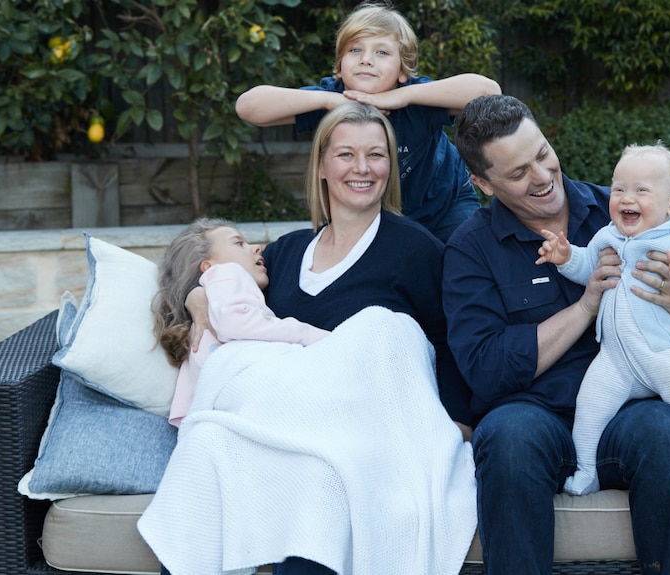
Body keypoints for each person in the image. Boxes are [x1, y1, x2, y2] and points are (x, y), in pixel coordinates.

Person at [140, 102, 476, 575]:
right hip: (289, 431)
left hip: (365, 436)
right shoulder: (284, 254)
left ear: (390, 167)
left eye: (376, 155)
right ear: (321, 165)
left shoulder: (417, 249)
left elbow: (447, 339)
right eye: (346, 155)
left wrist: (457, 420)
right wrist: (199, 296)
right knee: (209, 444)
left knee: (324, 484)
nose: (362, 168)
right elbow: (227, 292)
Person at [442, 94, 670, 575]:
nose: (543, 177)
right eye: (518, 172)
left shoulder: (620, 213)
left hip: (628, 410)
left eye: (542, 153)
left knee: (666, 431)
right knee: (507, 437)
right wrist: (588, 303)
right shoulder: (471, 249)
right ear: (482, 183)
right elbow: (486, 370)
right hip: (533, 415)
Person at [535, 142, 670, 496]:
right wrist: (565, 257)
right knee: (589, 406)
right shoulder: (607, 236)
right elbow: (586, 270)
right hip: (616, 358)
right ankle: (586, 470)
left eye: (642, 190)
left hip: (666, 352)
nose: (627, 198)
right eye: (619, 188)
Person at [234, 0, 501, 243]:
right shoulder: (331, 99)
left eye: (382, 52)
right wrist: (331, 102)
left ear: (403, 70)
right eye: (355, 49)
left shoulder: (418, 102)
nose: (366, 59)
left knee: (463, 263)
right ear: (339, 66)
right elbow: (248, 106)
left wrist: (401, 97)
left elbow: (489, 91)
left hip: (443, 207)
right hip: (367, 214)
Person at [152, 218, 330, 427]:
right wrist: (309, 334)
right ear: (208, 266)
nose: (257, 248)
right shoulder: (226, 272)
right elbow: (233, 324)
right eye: (239, 243)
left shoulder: (208, 313)